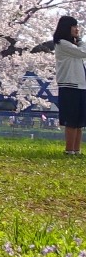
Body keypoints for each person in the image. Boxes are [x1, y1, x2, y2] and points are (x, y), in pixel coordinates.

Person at [53, 15, 86, 156]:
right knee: (71, 120)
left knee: (79, 121)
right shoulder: (61, 43)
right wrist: (80, 40)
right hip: (69, 85)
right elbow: (84, 52)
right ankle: (69, 150)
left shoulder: (71, 45)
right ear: (67, 27)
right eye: (74, 26)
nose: (76, 29)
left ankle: (76, 150)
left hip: (80, 85)